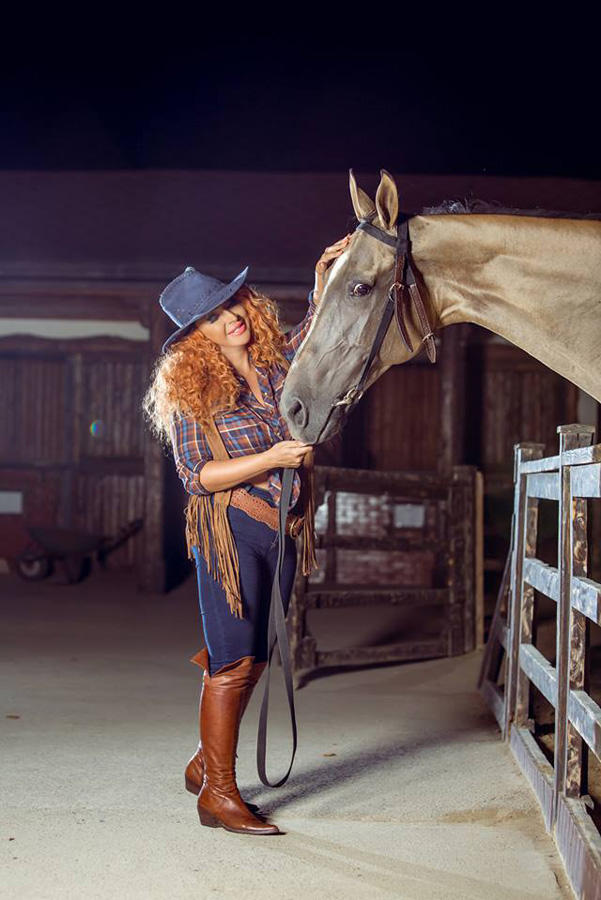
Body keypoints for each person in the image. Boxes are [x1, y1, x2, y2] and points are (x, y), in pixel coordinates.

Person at [142, 233, 351, 837]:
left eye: (232, 304)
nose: (229, 318)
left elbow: (319, 330)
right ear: (194, 335)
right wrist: (271, 458)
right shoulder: (189, 391)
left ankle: (206, 759)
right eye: (212, 317)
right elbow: (196, 476)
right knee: (234, 660)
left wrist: (321, 273)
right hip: (230, 527)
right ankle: (219, 794)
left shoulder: (276, 363)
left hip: (282, 530)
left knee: (252, 657)